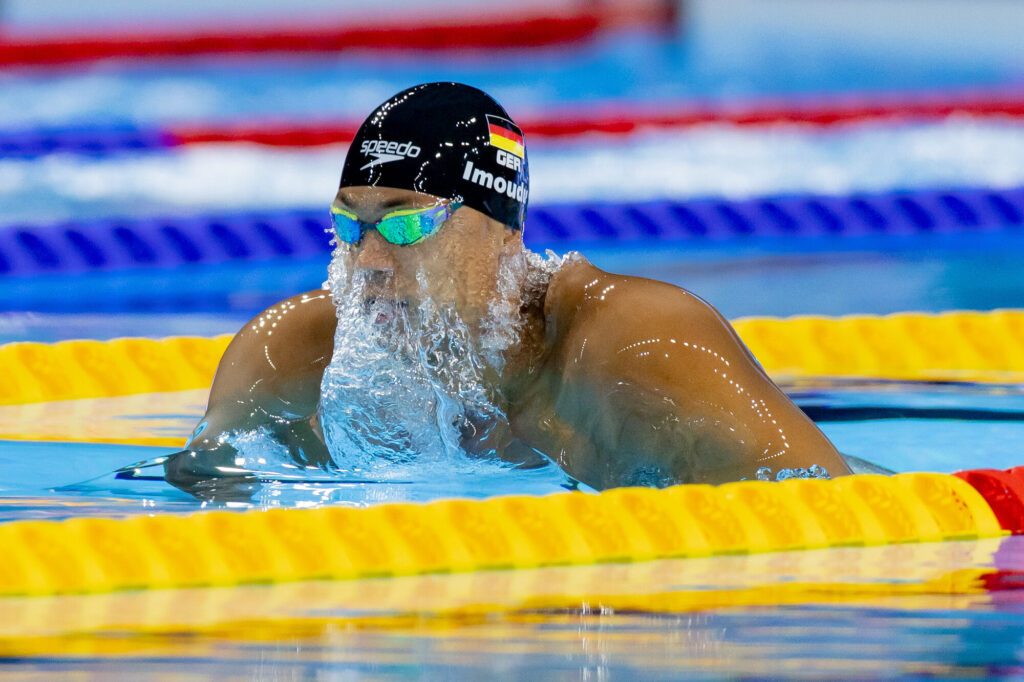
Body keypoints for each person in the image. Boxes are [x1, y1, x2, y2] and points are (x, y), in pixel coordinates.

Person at [164, 82, 850, 498]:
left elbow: (835, 520)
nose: (368, 261)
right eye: (351, 223)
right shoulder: (288, 360)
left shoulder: (635, 346)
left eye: (403, 225)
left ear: (503, 235)